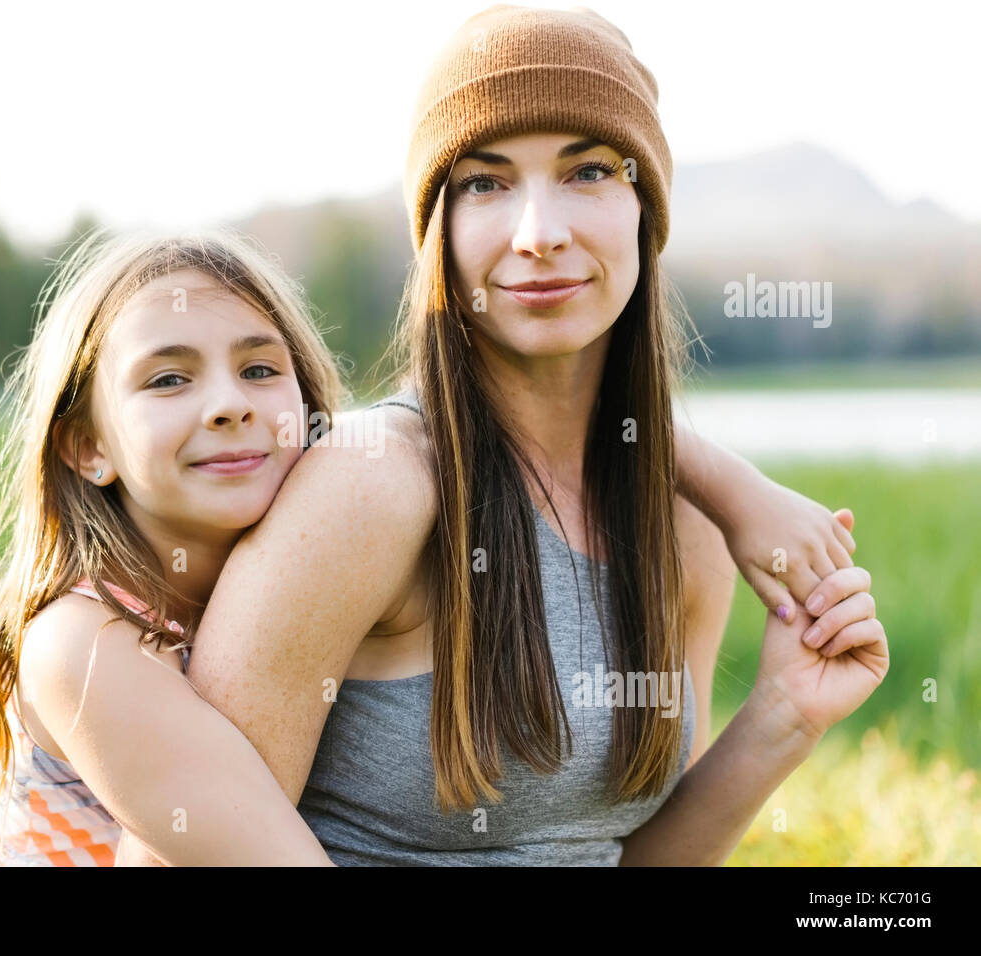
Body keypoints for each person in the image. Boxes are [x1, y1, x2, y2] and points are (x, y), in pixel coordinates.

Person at [114, 5, 888, 866]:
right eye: (484, 183)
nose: (539, 233)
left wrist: (783, 717)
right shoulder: (372, 489)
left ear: (645, 210)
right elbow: (174, 851)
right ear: (437, 234)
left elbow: (622, 857)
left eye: (588, 171)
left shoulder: (686, 526)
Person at [0, 228, 345, 865]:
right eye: (169, 379)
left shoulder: (312, 585)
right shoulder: (85, 645)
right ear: (89, 448)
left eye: (259, 369)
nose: (229, 405)